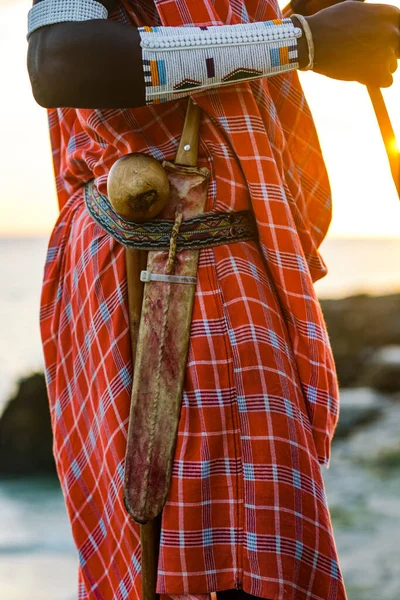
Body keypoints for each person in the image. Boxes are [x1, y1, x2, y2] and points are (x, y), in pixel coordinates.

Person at [27, 0, 399, 599]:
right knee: (193, 571)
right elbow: (61, 61)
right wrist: (301, 41)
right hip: (159, 269)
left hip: (220, 265)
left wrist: (299, 24)